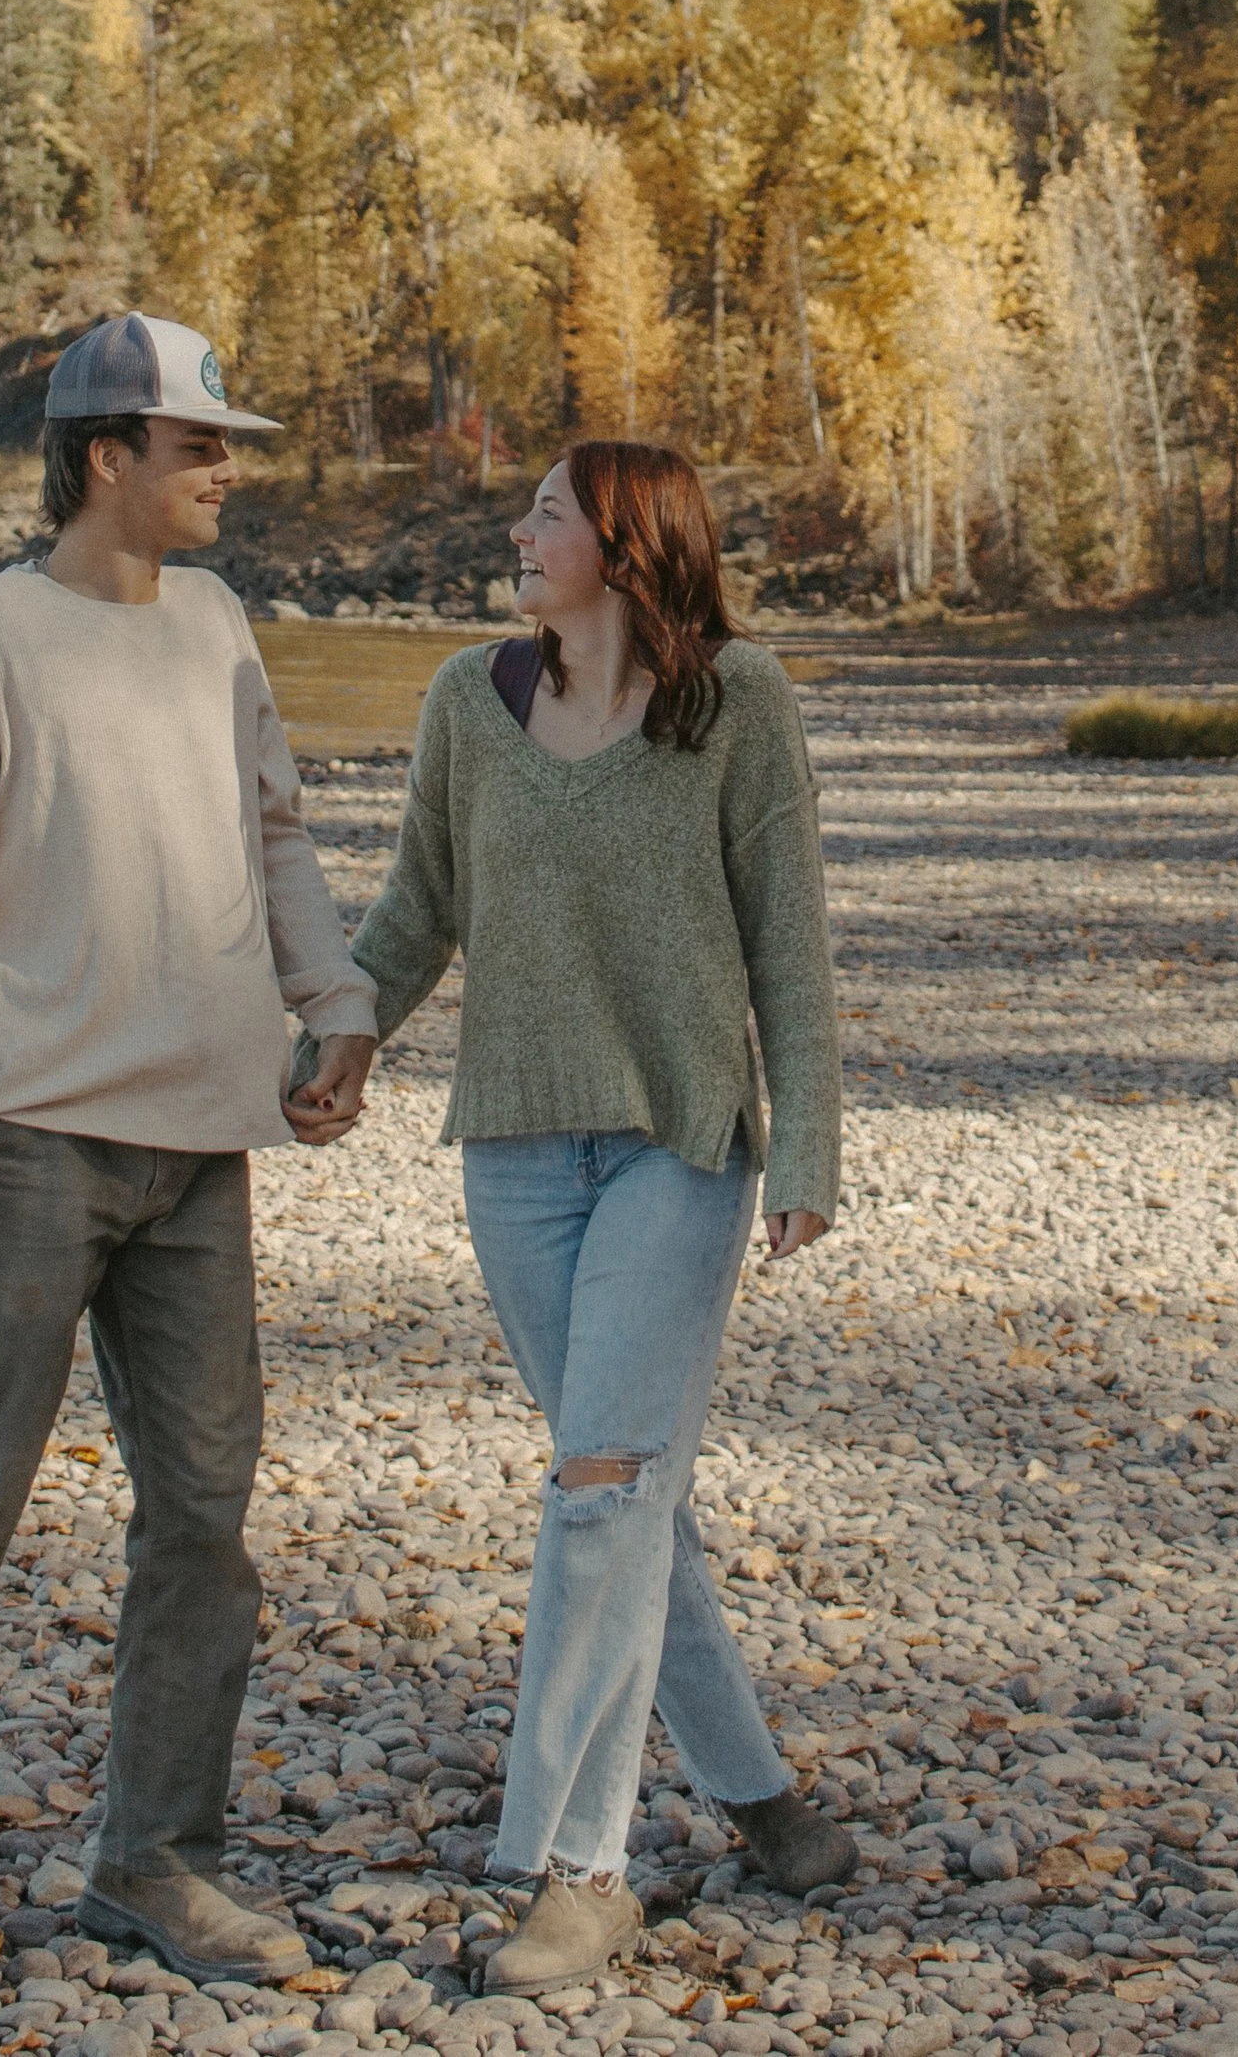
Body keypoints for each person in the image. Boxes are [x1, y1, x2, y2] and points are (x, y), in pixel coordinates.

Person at [0, 312, 380, 1994]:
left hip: (204, 1143)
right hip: (32, 1144)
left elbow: (273, 828)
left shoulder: (215, 625)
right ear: (102, 456)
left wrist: (336, 991)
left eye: (225, 442)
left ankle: (157, 1855)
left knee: (204, 1514)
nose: (226, 469)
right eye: (199, 441)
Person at [336, 438, 853, 1995]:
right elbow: (414, 908)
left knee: (604, 1489)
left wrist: (810, 1144)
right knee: (617, 1497)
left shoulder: (736, 704)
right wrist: (342, 1035)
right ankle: (766, 1802)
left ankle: (575, 1867)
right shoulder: (462, 708)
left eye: (545, 512)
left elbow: (792, 941)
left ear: (625, 547)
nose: (517, 530)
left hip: (679, 1151)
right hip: (512, 1154)